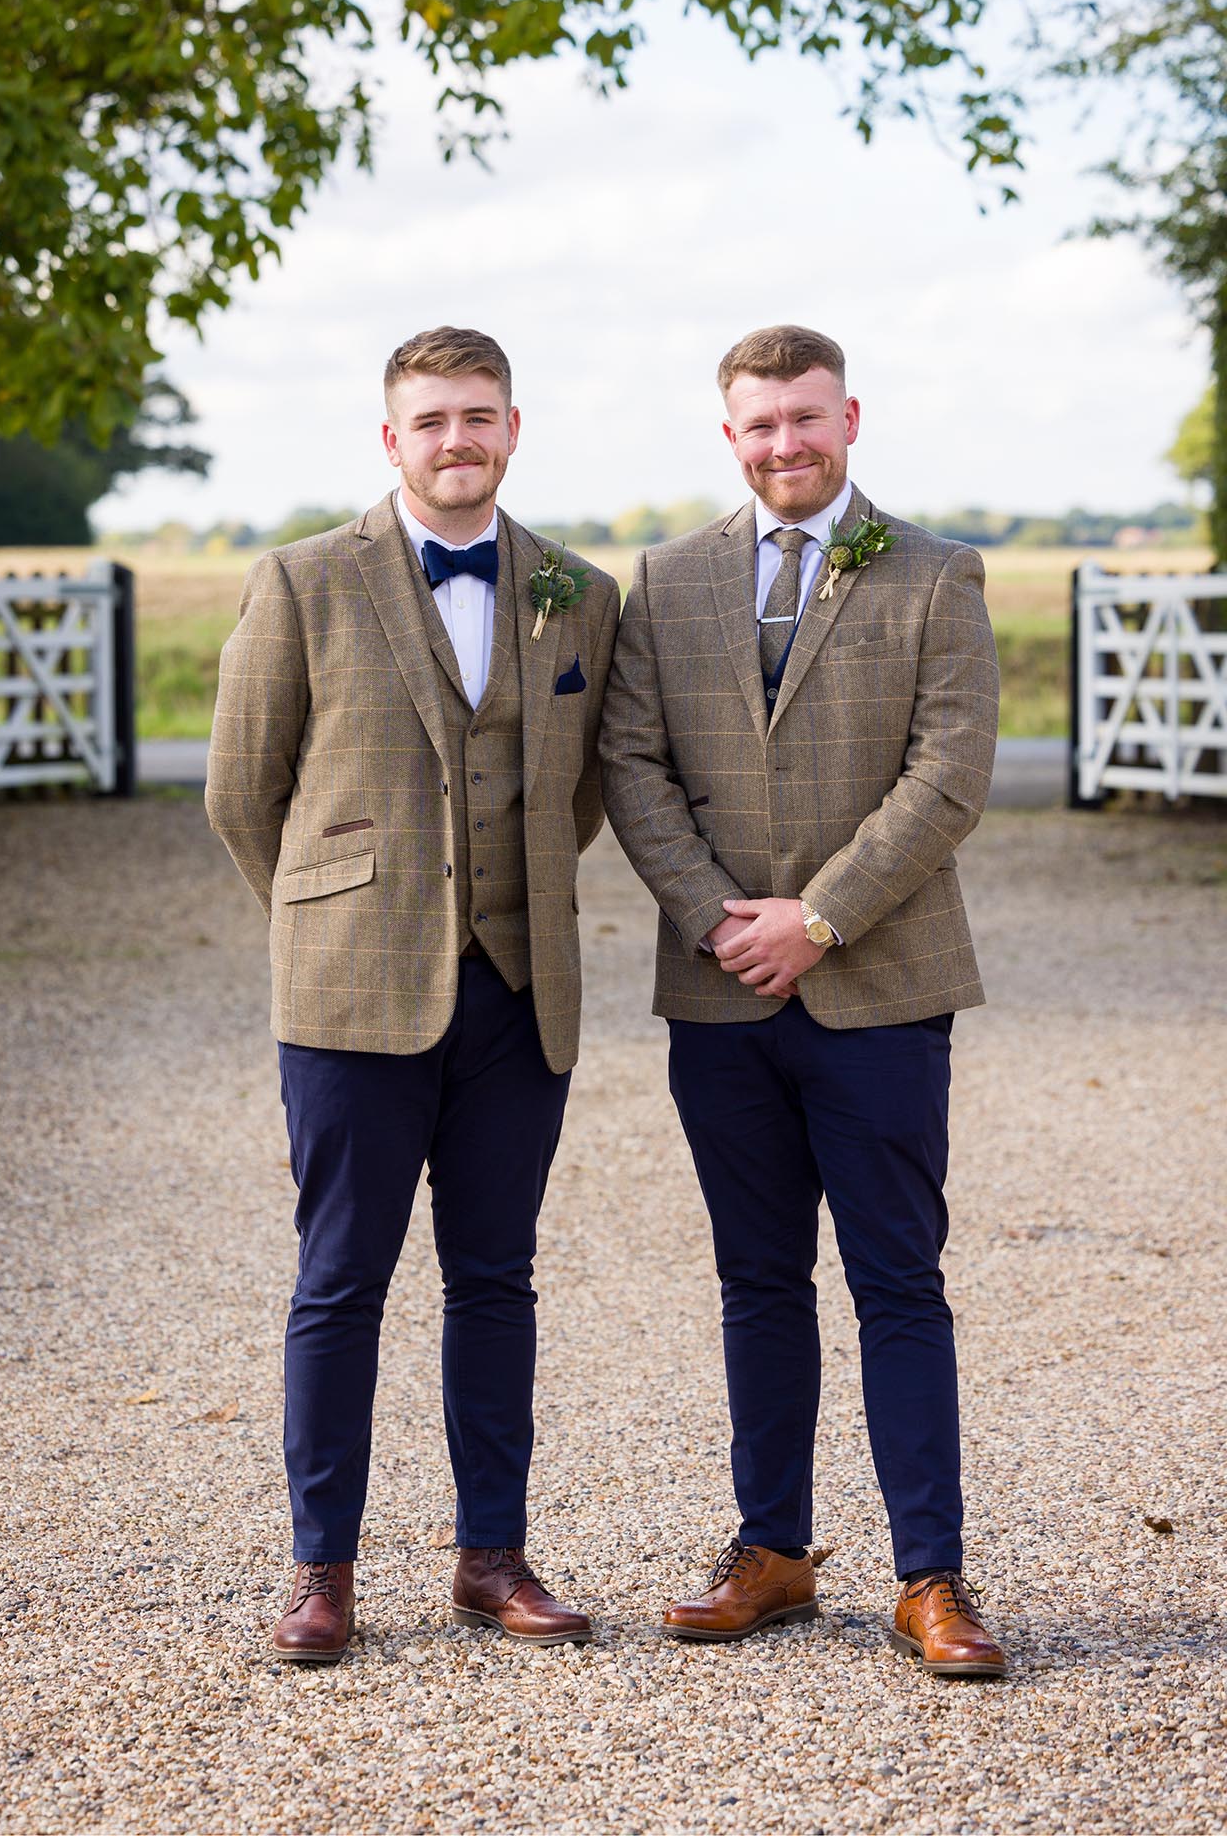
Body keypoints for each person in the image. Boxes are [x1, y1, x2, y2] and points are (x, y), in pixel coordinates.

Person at [206, 326, 620, 1661]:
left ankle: (489, 1558)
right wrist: (337, 919)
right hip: (350, 997)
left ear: (514, 430)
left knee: (496, 1281)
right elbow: (239, 791)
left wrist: (509, 892)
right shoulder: (303, 581)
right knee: (341, 1283)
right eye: (432, 419)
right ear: (392, 439)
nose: (459, 439)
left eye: (480, 416)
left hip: (521, 993)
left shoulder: (579, 591)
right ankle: (321, 1571)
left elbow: (589, 788)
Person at [599, 323, 1006, 1677]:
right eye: (761, 424)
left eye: (807, 419)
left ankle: (930, 1579)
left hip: (880, 987)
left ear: (850, 419)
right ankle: (770, 1552)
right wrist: (724, 918)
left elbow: (950, 773)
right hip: (719, 996)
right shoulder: (663, 582)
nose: (786, 443)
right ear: (731, 436)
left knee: (899, 1283)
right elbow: (633, 766)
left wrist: (819, 919)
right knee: (756, 1282)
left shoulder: (939, 577)